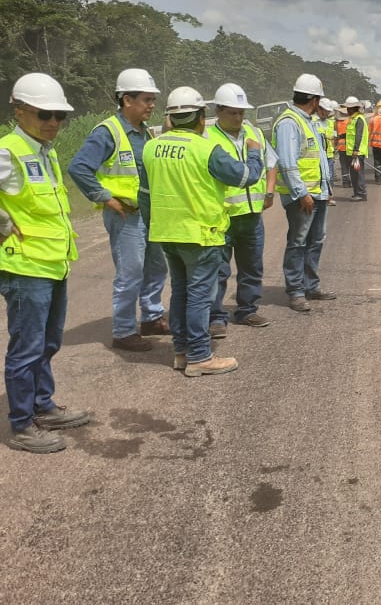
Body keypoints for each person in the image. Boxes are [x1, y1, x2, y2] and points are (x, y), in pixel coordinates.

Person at [143, 87, 262, 376]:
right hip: (200, 234)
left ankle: (182, 351)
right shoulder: (206, 149)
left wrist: (152, 228)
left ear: (170, 118)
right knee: (198, 295)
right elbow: (247, 176)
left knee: (180, 292)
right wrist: (254, 153)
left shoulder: (151, 147)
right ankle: (199, 355)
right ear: (200, 116)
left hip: (166, 233)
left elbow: (144, 195)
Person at [1, 73, 89, 453]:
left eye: (60, 115)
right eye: (44, 114)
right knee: (26, 348)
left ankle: (43, 405)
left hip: (54, 263)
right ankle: (22, 425)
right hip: (25, 268)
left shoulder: (46, 151)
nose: (53, 122)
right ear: (19, 111)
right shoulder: (8, 150)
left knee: (49, 342)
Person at [68, 68, 169, 353]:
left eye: (153, 100)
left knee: (157, 266)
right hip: (125, 216)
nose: (152, 105)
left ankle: (151, 317)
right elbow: (79, 168)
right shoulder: (108, 132)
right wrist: (105, 198)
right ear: (127, 99)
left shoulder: (144, 132)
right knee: (130, 272)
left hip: (147, 214)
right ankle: (123, 331)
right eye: (147, 99)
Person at [206, 83, 278, 338]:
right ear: (218, 111)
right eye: (232, 113)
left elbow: (272, 163)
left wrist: (269, 192)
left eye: (241, 113)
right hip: (222, 217)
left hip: (251, 215)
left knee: (252, 266)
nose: (238, 118)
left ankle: (247, 309)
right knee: (218, 270)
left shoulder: (254, 133)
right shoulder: (208, 138)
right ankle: (215, 317)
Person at [271, 74, 336, 313]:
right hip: (302, 197)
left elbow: (318, 159)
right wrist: (301, 193)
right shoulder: (289, 123)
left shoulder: (309, 121)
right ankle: (296, 291)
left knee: (315, 240)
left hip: (317, 194)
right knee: (298, 242)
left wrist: (326, 190)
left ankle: (311, 286)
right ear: (315, 99)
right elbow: (287, 164)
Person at [343, 95, 369, 199]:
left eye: (349, 108)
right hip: (351, 152)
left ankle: (361, 193)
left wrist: (356, 149)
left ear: (353, 108)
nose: (347, 110)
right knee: (353, 174)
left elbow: (359, 135)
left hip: (357, 153)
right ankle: (357, 192)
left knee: (358, 174)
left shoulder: (359, 119)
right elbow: (351, 134)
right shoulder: (352, 119)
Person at [315, 97, 338, 206]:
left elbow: (334, 136)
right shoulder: (313, 122)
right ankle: (320, 197)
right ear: (319, 109)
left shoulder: (330, 123)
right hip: (318, 156)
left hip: (329, 154)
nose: (327, 113)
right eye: (325, 111)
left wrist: (334, 148)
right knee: (320, 177)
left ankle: (329, 197)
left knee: (330, 177)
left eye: (328, 111)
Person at [335, 103, 351, 188]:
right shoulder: (350, 121)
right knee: (351, 166)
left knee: (344, 166)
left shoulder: (336, 123)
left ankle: (345, 182)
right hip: (349, 147)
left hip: (341, 147)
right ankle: (352, 181)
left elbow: (335, 135)